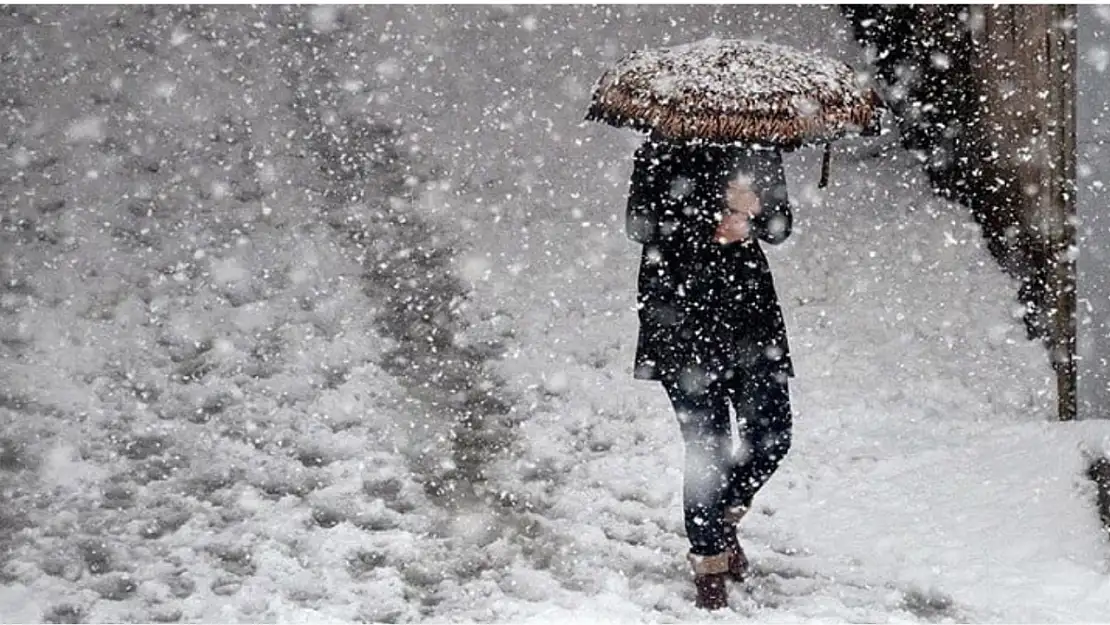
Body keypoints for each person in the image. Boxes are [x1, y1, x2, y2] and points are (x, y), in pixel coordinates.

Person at [625, 134, 794, 610]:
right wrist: (713, 214)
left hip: (750, 317)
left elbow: (780, 227)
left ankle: (718, 520)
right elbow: (640, 225)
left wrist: (755, 214)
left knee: (773, 433)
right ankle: (709, 566)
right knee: (708, 448)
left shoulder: (759, 147)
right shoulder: (660, 150)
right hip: (680, 314)